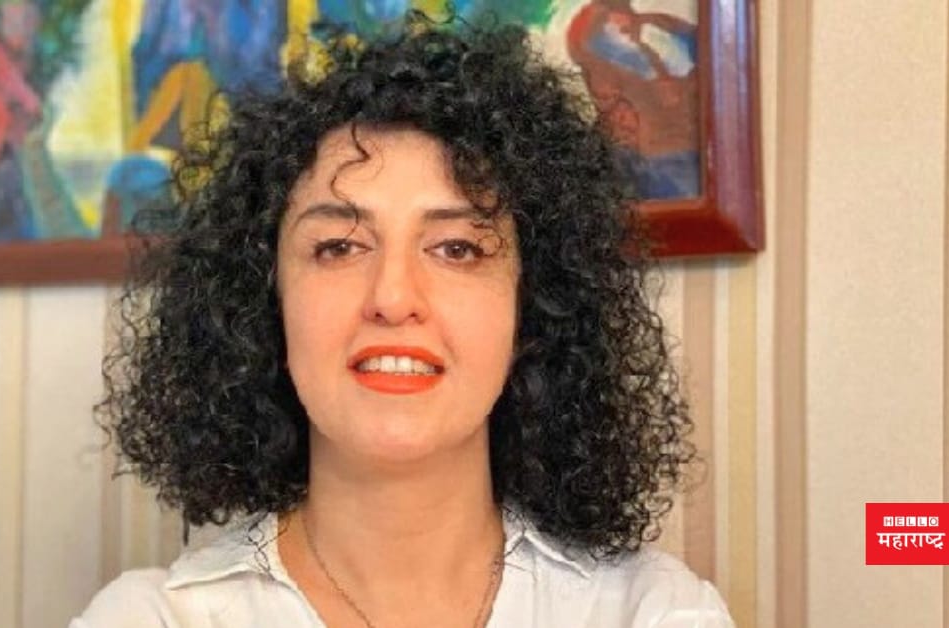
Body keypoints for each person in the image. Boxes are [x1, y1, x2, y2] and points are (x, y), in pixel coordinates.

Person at [76, 14, 733, 628]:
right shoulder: (151, 618)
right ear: (262, 302)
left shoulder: (651, 612)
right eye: (339, 247)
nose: (393, 297)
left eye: (457, 249)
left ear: (533, 308)